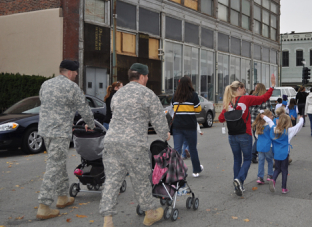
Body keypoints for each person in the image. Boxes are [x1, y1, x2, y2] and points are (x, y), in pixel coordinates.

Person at [99, 63, 170, 227]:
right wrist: (165, 134)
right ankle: (150, 213)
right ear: (143, 77)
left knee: (112, 181)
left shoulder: (117, 94)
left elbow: (113, 112)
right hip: (134, 144)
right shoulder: (147, 94)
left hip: (111, 142)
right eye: (147, 77)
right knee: (141, 179)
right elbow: (159, 119)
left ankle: (107, 220)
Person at [36, 60, 95, 220]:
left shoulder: (46, 84)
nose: (76, 75)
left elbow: (43, 101)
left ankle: (63, 197)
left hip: (45, 131)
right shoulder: (72, 87)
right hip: (60, 132)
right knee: (54, 166)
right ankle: (44, 205)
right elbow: (84, 108)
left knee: (58, 162)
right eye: (76, 72)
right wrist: (90, 124)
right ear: (70, 72)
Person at [219, 75, 275, 196]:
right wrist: (272, 86)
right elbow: (263, 98)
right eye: (243, 88)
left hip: (232, 135)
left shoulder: (228, 102)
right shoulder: (246, 98)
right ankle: (239, 180)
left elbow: (220, 118)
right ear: (239, 88)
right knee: (248, 159)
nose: (245, 90)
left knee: (237, 159)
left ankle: (237, 185)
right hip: (245, 134)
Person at [171, 77, 203, 177]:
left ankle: (176, 172)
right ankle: (196, 171)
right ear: (189, 84)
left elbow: (173, 109)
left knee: (177, 149)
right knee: (193, 149)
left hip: (177, 126)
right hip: (190, 126)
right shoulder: (193, 95)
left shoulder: (174, 96)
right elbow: (198, 110)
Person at [265, 114, 304, 194]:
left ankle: (273, 180)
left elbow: (270, 122)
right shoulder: (288, 131)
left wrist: (263, 116)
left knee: (277, 169)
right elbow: (298, 126)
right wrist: (301, 119)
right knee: (284, 170)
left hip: (276, 153)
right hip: (284, 153)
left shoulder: (273, 129)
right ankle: (284, 188)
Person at [249, 83, 271, 164]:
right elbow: (268, 110)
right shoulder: (265, 98)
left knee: (257, 137)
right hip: (261, 121)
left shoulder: (251, 97)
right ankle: (253, 154)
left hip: (253, 120)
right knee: (259, 138)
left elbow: (249, 109)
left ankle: (254, 154)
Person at [252, 110, 275, 185]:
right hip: (269, 145)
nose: (272, 116)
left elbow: (256, 136)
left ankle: (260, 177)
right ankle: (270, 175)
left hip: (260, 146)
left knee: (261, 161)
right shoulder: (270, 125)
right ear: (267, 117)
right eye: (271, 115)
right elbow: (273, 135)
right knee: (270, 161)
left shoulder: (258, 125)